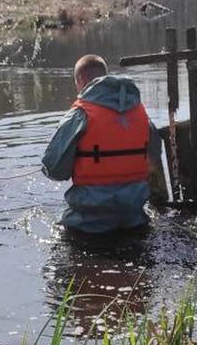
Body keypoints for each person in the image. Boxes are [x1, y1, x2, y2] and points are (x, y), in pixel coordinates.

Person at [42, 54, 163, 233]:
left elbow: (55, 170)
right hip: (135, 219)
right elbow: (154, 155)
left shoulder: (80, 114)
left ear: (81, 80)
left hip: (88, 225)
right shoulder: (141, 113)